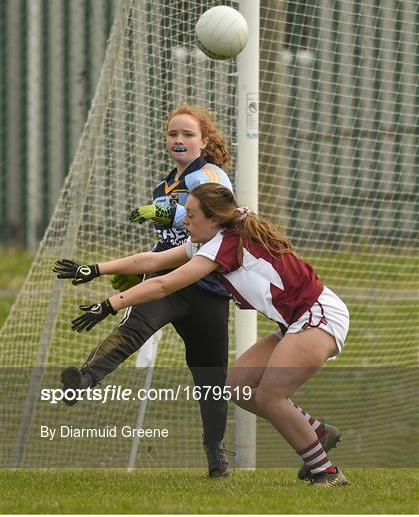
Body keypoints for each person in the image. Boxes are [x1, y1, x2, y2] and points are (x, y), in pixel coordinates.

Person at [54, 183, 350, 486]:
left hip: (320, 317)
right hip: (298, 322)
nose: (185, 221)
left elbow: (164, 285)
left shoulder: (223, 245)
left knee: (270, 396)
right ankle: (317, 433)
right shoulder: (212, 239)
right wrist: (95, 269)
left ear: (213, 220)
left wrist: (109, 305)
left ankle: (326, 472)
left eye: (191, 215)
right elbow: (153, 261)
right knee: (238, 387)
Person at [56, 104, 234, 478]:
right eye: (173, 134)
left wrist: (166, 212)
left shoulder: (209, 174)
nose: (179, 139)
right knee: (132, 329)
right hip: (166, 283)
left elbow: (221, 217)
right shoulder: (163, 186)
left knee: (210, 378)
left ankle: (216, 454)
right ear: (165, 140)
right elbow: (165, 248)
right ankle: (85, 380)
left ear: (204, 140)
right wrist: (101, 268)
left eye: (188, 134)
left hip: (207, 287)